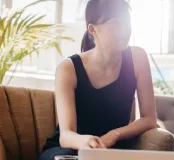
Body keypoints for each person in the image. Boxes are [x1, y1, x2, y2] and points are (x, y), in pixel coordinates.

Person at [39, 0, 157, 159]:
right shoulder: (68, 69)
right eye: (116, 24)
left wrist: (115, 135)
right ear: (93, 29)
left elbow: (149, 119)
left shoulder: (138, 58)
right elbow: (66, 135)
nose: (125, 30)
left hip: (111, 150)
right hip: (69, 151)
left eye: (126, 22)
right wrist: (87, 141)